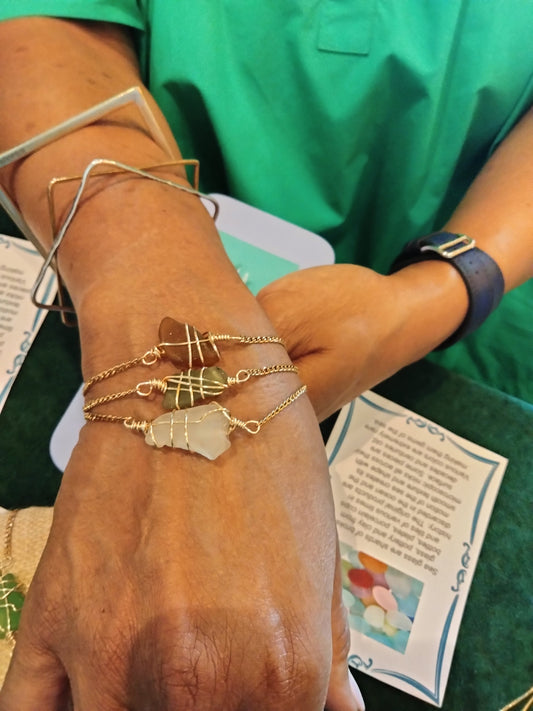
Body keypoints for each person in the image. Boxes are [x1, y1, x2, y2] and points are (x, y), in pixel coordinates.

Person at [0, 3, 531, 709]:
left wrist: (440, 289)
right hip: (147, 222)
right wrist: (148, 264)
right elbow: (41, 25)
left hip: (465, 299)